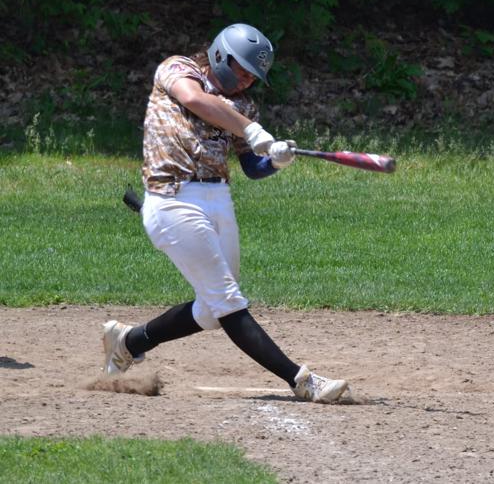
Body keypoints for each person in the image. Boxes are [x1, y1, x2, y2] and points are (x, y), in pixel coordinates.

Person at [102, 23, 349, 404]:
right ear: (220, 54)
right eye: (243, 70)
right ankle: (301, 380)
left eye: (254, 76)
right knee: (228, 301)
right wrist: (252, 129)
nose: (247, 81)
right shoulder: (178, 69)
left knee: (215, 309)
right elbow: (196, 100)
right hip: (172, 199)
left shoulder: (244, 106)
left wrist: (275, 161)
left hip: (218, 200)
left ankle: (128, 340)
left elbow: (251, 166)